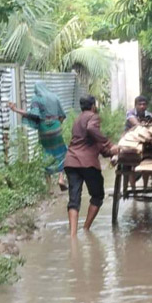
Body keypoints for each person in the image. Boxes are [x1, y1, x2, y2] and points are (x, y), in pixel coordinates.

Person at [64, 95, 117, 237]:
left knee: (74, 200)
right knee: (98, 195)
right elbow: (92, 131)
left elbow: (92, 141)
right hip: (87, 163)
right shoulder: (93, 117)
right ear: (93, 106)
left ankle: (73, 236)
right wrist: (110, 145)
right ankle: (86, 228)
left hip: (71, 161)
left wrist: (109, 152)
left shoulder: (77, 119)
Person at [8, 82, 67, 191]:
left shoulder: (36, 98)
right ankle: (61, 178)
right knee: (62, 152)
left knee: (45, 153)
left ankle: (49, 188)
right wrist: (57, 125)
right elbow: (62, 115)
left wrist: (15, 109)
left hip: (44, 128)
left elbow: (33, 114)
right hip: (56, 126)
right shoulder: (54, 97)